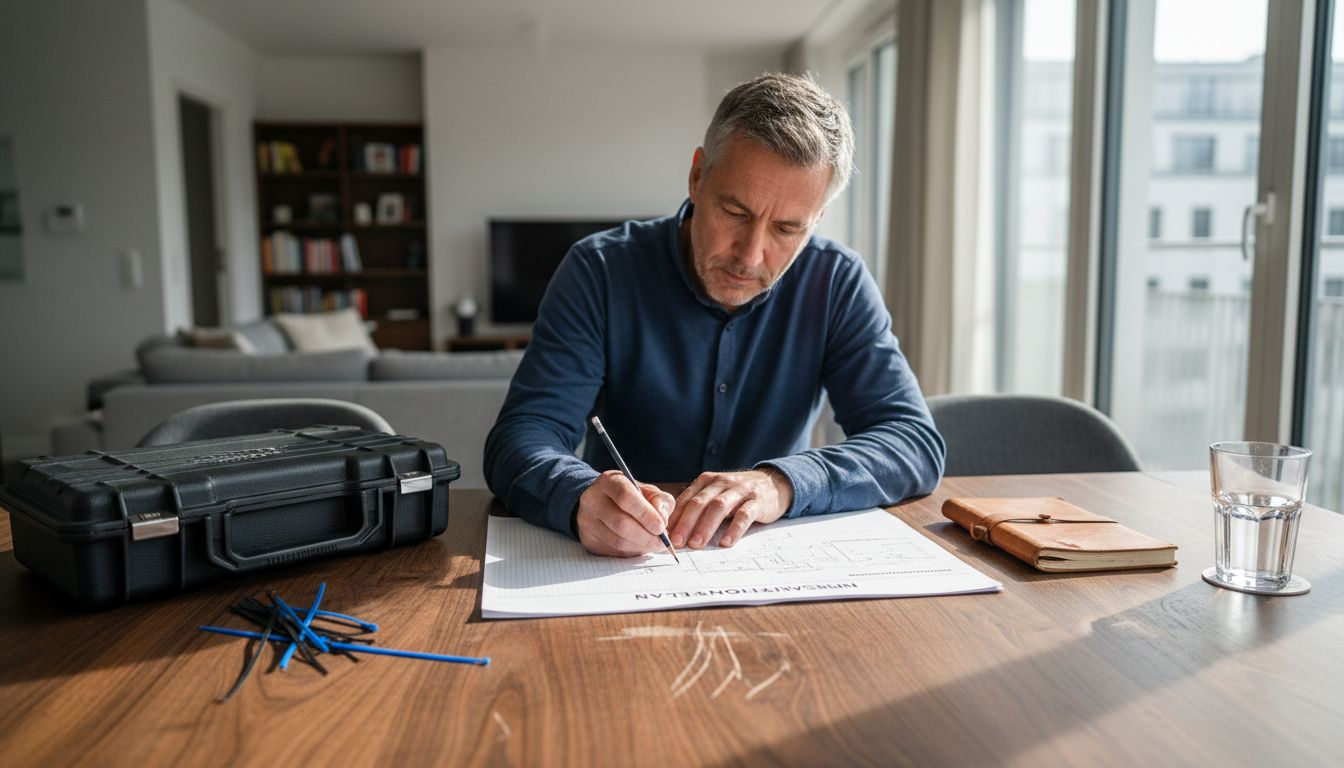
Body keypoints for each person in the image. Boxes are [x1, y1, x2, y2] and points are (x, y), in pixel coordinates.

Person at [484, 72, 944, 558]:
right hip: (629, 565)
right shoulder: (599, 270)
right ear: (697, 176)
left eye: (787, 228)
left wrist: (780, 484)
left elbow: (912, 442)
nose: (750, 255)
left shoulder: (836, 281)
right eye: (736, 212)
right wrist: (577, 496)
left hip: (773, 567)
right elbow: (521, 436)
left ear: (817, 220)